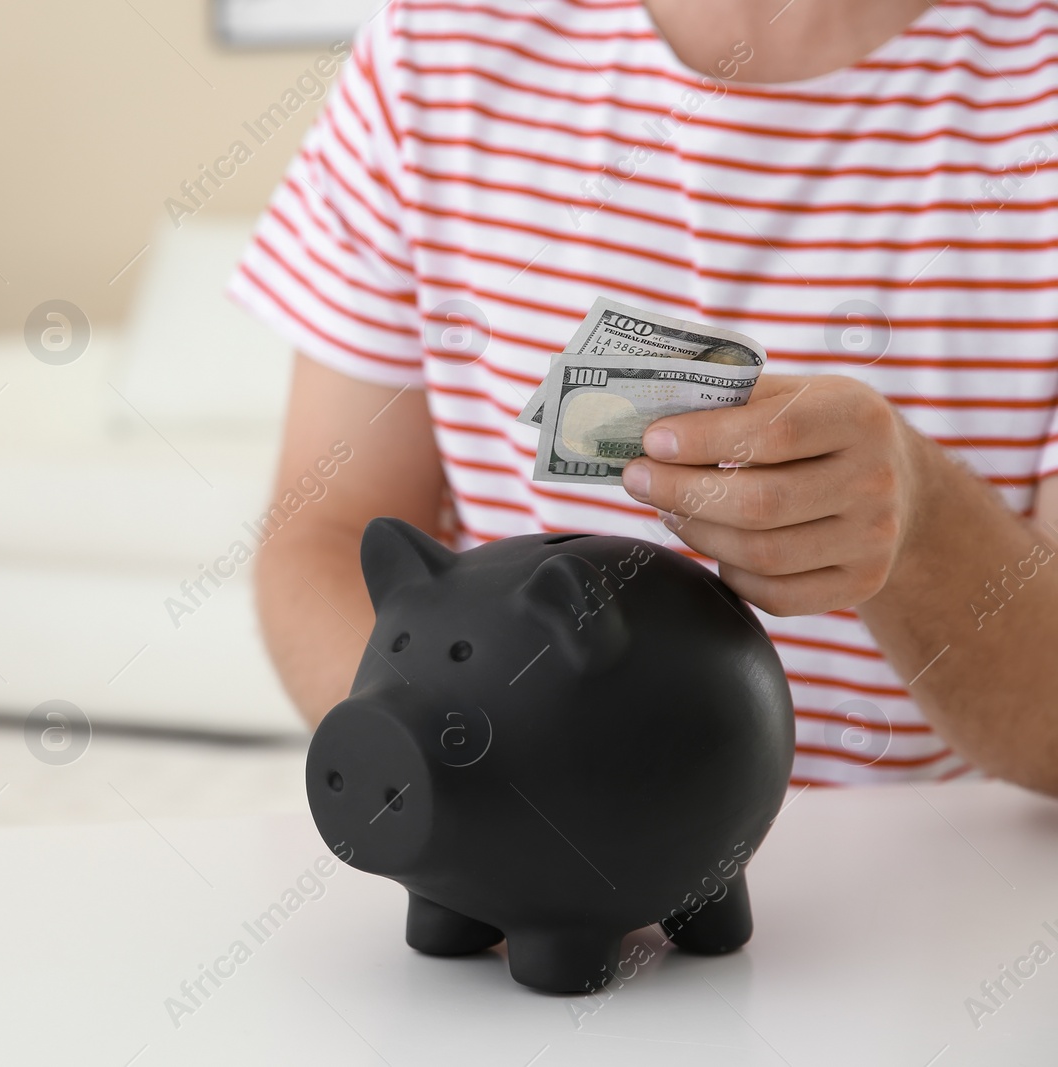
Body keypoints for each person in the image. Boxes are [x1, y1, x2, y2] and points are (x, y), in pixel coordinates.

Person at [227, 0, 1058, 793]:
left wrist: (918, 527)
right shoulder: (427, 50)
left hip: (937, 895)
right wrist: (475, 794)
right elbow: (327, 536)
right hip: (507, 866)